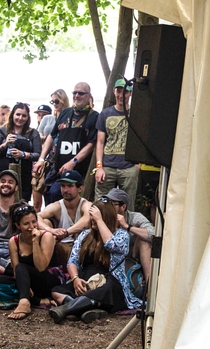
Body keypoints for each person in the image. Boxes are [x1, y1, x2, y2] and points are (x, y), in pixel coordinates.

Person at [53, 199, 145, 323]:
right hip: (87, 280)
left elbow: (110, 244)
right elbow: (72, 260)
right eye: (91, 216)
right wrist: (75, 279)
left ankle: (67, 309)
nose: (92, 219)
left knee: (107, 290)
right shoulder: (85, 235)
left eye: (95, 216)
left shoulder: (122, 235)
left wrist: (100, 221)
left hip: (110, 281)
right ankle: (86, 308)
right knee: (56, 291)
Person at [37, 83, 99, 203]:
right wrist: (41, 158)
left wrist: (73, 162)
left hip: (80, 172)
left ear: (89, 96)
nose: (77, 95)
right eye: (74, 93)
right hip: (58, 170)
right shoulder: (65, 113)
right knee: (52, 196)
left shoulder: (95, 116)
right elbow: (52, 135)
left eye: (81, 93)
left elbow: (91, 144)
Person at [6, 203, 63, 320]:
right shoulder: (14, 241)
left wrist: (35, 242)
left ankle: (25, 302)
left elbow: (41, 267)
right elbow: (16, 271)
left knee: (22, 267)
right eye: (26, 223)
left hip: (49, 279)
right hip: (29, 280)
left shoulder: (46, 236)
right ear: (18, 225)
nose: (32, 226)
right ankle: (34, 300)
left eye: (34, 222)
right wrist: (24, 286)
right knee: (5, 279)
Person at [93, 78, 140, 209]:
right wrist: (99, 166)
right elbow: (100, 142)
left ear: (130, 93)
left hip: (129, 166)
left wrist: (138, 165)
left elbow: (141, 140)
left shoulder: (137, 113)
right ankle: (100, 226)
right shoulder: (105, 114)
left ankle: (126, 228)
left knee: (128, 204)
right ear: (114, 92)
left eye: (125, 92)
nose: (121, 95)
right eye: (118, 91)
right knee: (101, 204)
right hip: (107, 165)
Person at [0, 103, 42, 203]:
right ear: (12, 115)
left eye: (24, 115)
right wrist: (5, 144)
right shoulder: (1, 131)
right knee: (1, 206)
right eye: (18, 114)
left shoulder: (33, 133)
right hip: (2, 173)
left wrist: (23, 154)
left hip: (23, 175)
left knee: (21, 206)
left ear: (28, 117)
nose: (20, 118)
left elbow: (37, 155)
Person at [38, 170, 92, 254]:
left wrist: (66, 232)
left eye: (70, 186)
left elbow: (87, 219)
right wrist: (50, 230)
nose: (65, 190)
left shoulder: (85, 204)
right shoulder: (56, 206)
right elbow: (37, 217)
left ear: (80, 188)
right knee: (45, 222)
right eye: (63, 186)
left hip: (84, 249)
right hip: (60, 249)